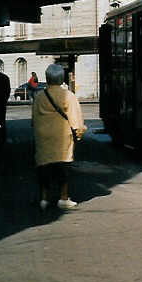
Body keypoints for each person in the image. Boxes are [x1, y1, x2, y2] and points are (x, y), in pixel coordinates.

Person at [33, 64, 87, 211]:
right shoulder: (68, 96)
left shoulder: (39, 97)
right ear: (61, 78)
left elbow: (34, 119)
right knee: (63, 167)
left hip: (43, 137)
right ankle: (63, 198)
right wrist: (79, 133)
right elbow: (76, 119)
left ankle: (44, 199)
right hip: (62, 137)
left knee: (44, 166)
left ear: (47, 78)